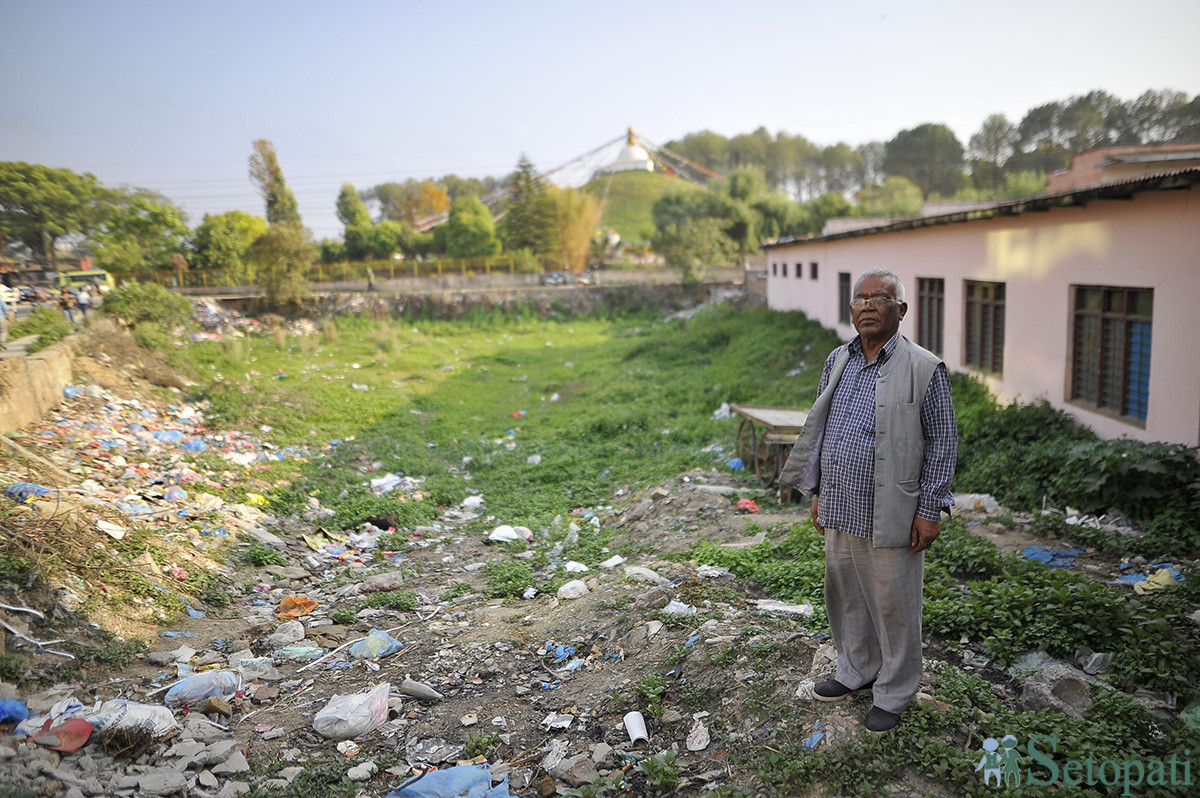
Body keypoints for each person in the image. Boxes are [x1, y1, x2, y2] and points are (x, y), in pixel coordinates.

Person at [780, 267, 957, 733]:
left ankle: (895, 691)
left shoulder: (924, 368)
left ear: (901, 310)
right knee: (846, 595)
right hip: (840, 502)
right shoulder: (837, 359)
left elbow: (941, 441)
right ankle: (856, 670)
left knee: (895, 604)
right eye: (860, 299)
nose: (868, 306)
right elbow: (821, 428)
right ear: (851, 308)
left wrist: (930, 507)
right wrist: (816, 491)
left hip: (894, 509)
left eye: (881, 298)